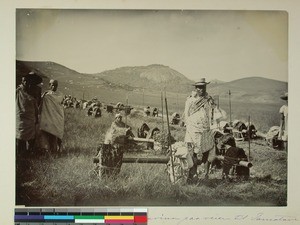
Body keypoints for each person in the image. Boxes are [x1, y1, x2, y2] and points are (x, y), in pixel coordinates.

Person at [182, 78, 216, 182]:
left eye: (203, 87)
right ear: (195, 88)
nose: (201, 89)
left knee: (207, 151)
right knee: (192, 152)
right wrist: (189, 127)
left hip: (205, 129)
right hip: (192, 130)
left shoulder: (209, 100)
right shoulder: (190, 100)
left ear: (205, 87)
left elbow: (213, 114)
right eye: (199, 87)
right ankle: (193, 174)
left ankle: (206, 175)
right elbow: (186, 115)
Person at [16, 72, 43, 155]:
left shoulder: (35, 90)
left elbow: (36, 103)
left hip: (31, 118)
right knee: (20, 137)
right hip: (20, 118)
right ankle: (20, 153)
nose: (25, 82)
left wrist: (36, 118)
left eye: (27, 81)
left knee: (32, 136)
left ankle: (30, 152)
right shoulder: (18, 91)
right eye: (23, 81)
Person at [38, 79, 64, 153]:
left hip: (56, 118)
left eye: (55, 85)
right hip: (47, 118)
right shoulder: (46, 95)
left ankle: (54, 150)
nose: (53, 86)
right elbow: (41, 104)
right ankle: (46, 150)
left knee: (54, 135)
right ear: (49, 85)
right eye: (52, 85)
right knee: (46, 134)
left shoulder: (60, 95)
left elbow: (59, 107)